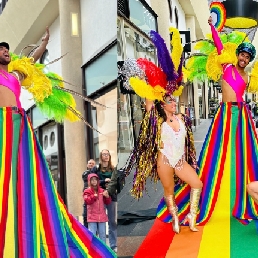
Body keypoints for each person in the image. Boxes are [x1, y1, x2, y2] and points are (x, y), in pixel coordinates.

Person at [0, 28, 115, 257]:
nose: (5, 51)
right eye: (1, 49)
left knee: (25, 174)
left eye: (6, 49)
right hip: (2, 123)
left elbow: (31, 62)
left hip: (18, 121)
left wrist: (43, 45)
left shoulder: (14, 75)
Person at [122, 29, 202, 233]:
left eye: (174, 99)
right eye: (169, 101)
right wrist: (148, 78)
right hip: (164, 162)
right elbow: (150, 100)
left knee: (197, 183)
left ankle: (192, 217)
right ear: (162, 103)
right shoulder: (156, 119)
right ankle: (175, 218)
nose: (174, 103)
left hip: (180, 162)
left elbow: (188, 144)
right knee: (169, 191)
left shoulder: (183, 118)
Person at [194, 17, 258, 225]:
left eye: (248, 57)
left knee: (243, 158)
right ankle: (214, 197)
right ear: (237, 54)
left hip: (242, 115)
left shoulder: (248, 77)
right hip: (225, 114)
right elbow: (218, 43)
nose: (244, 59)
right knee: (216, 154)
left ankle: (242, 205)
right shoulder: (227, 67)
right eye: (242, 54)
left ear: (249, 60)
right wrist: (212, 26)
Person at [96, 149, 117, 252]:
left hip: (111, 196)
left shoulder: (113, 169)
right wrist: (104, 181)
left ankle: (113, 245)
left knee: (112, 221)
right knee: (101, 221)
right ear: (101, 156)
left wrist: (109, 189)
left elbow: (117, 182)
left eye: (107, 154)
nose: (106, 156)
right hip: (100, 197)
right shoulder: (97, 169)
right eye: (104, 154)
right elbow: (92, 181)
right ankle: (102, 245)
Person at [83, 174, 111, 243]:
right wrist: (93, 196)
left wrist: (107, 197)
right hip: (92, 217)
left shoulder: (102, 190)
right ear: (89, 181)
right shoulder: (87, 191)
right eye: (92, 180)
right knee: (92, 235)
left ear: (98, 181)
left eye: (95, 180)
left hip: (102, 216)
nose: (94, 181)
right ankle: (93, 251)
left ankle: (103, 251)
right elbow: (87, 201)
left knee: (103, 235)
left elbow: (107, 202)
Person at [82, 158, 97, 227]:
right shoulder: (85, 173)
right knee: (85, 215)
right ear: (87, 165)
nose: (91, 165)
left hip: (95, 196)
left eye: (92, 163)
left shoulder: (96, 173)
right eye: (89, 163)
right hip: (88, 196)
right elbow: (89, 177)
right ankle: (85, 231)